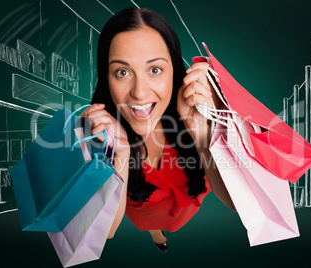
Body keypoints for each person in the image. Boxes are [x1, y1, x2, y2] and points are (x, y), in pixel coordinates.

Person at [80, 7, 236, 253]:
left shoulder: (196, 113)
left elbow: (236, 203)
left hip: (186, 207)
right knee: (151, 223)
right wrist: (120, 155)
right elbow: (104, 231)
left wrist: (200, 132)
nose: (139, 92)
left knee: (176, 220)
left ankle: (163, 231)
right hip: (144, 212)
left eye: (155, 70)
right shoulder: (98, 135)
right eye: (122, 72)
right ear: (106, 78)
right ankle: (156, 234)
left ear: (174, 71)